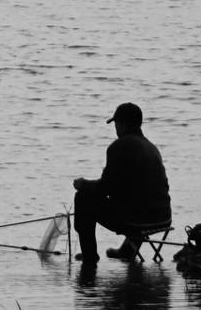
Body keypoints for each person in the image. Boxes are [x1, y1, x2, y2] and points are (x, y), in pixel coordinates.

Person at [72, 102, 171, 263]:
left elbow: (105, 188)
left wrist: (84, 184)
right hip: (163, 217)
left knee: (83, 198)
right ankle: (127, 250)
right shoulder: (152, 148)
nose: (115, 128)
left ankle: (89, 256)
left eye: (116, 124)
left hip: (137, 221)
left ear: (123, 124)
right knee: (137, 200)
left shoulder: (119, 147)